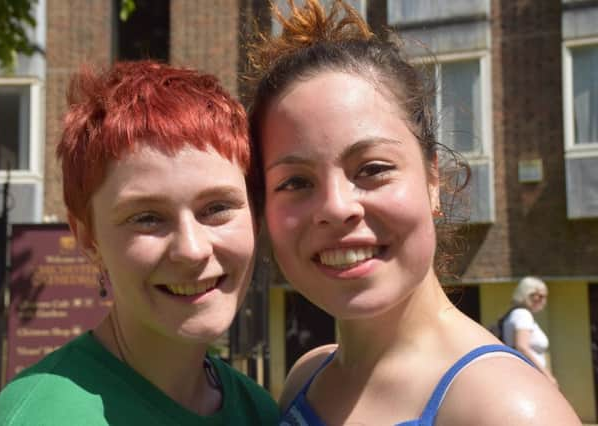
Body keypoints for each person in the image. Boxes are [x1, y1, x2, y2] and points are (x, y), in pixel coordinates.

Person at [246, 1, 580, 424]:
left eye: (372, 169)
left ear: (432, 182)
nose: (335, 207)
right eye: (294, 182)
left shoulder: (509, 410)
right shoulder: (306, 377)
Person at [0, 61, 279, 425]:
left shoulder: (259, 411)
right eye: (147, 218)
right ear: (87, 238)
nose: (191, 249)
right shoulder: (43, 416)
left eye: (217, 208)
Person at [503, 276, 557, 386]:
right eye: (540, 296)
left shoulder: (517, 313)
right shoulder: (523, 315)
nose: (543, 301)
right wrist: (547, 376)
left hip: (525, 376)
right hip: (529, 378)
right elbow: (522, 348)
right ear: (527, 295)